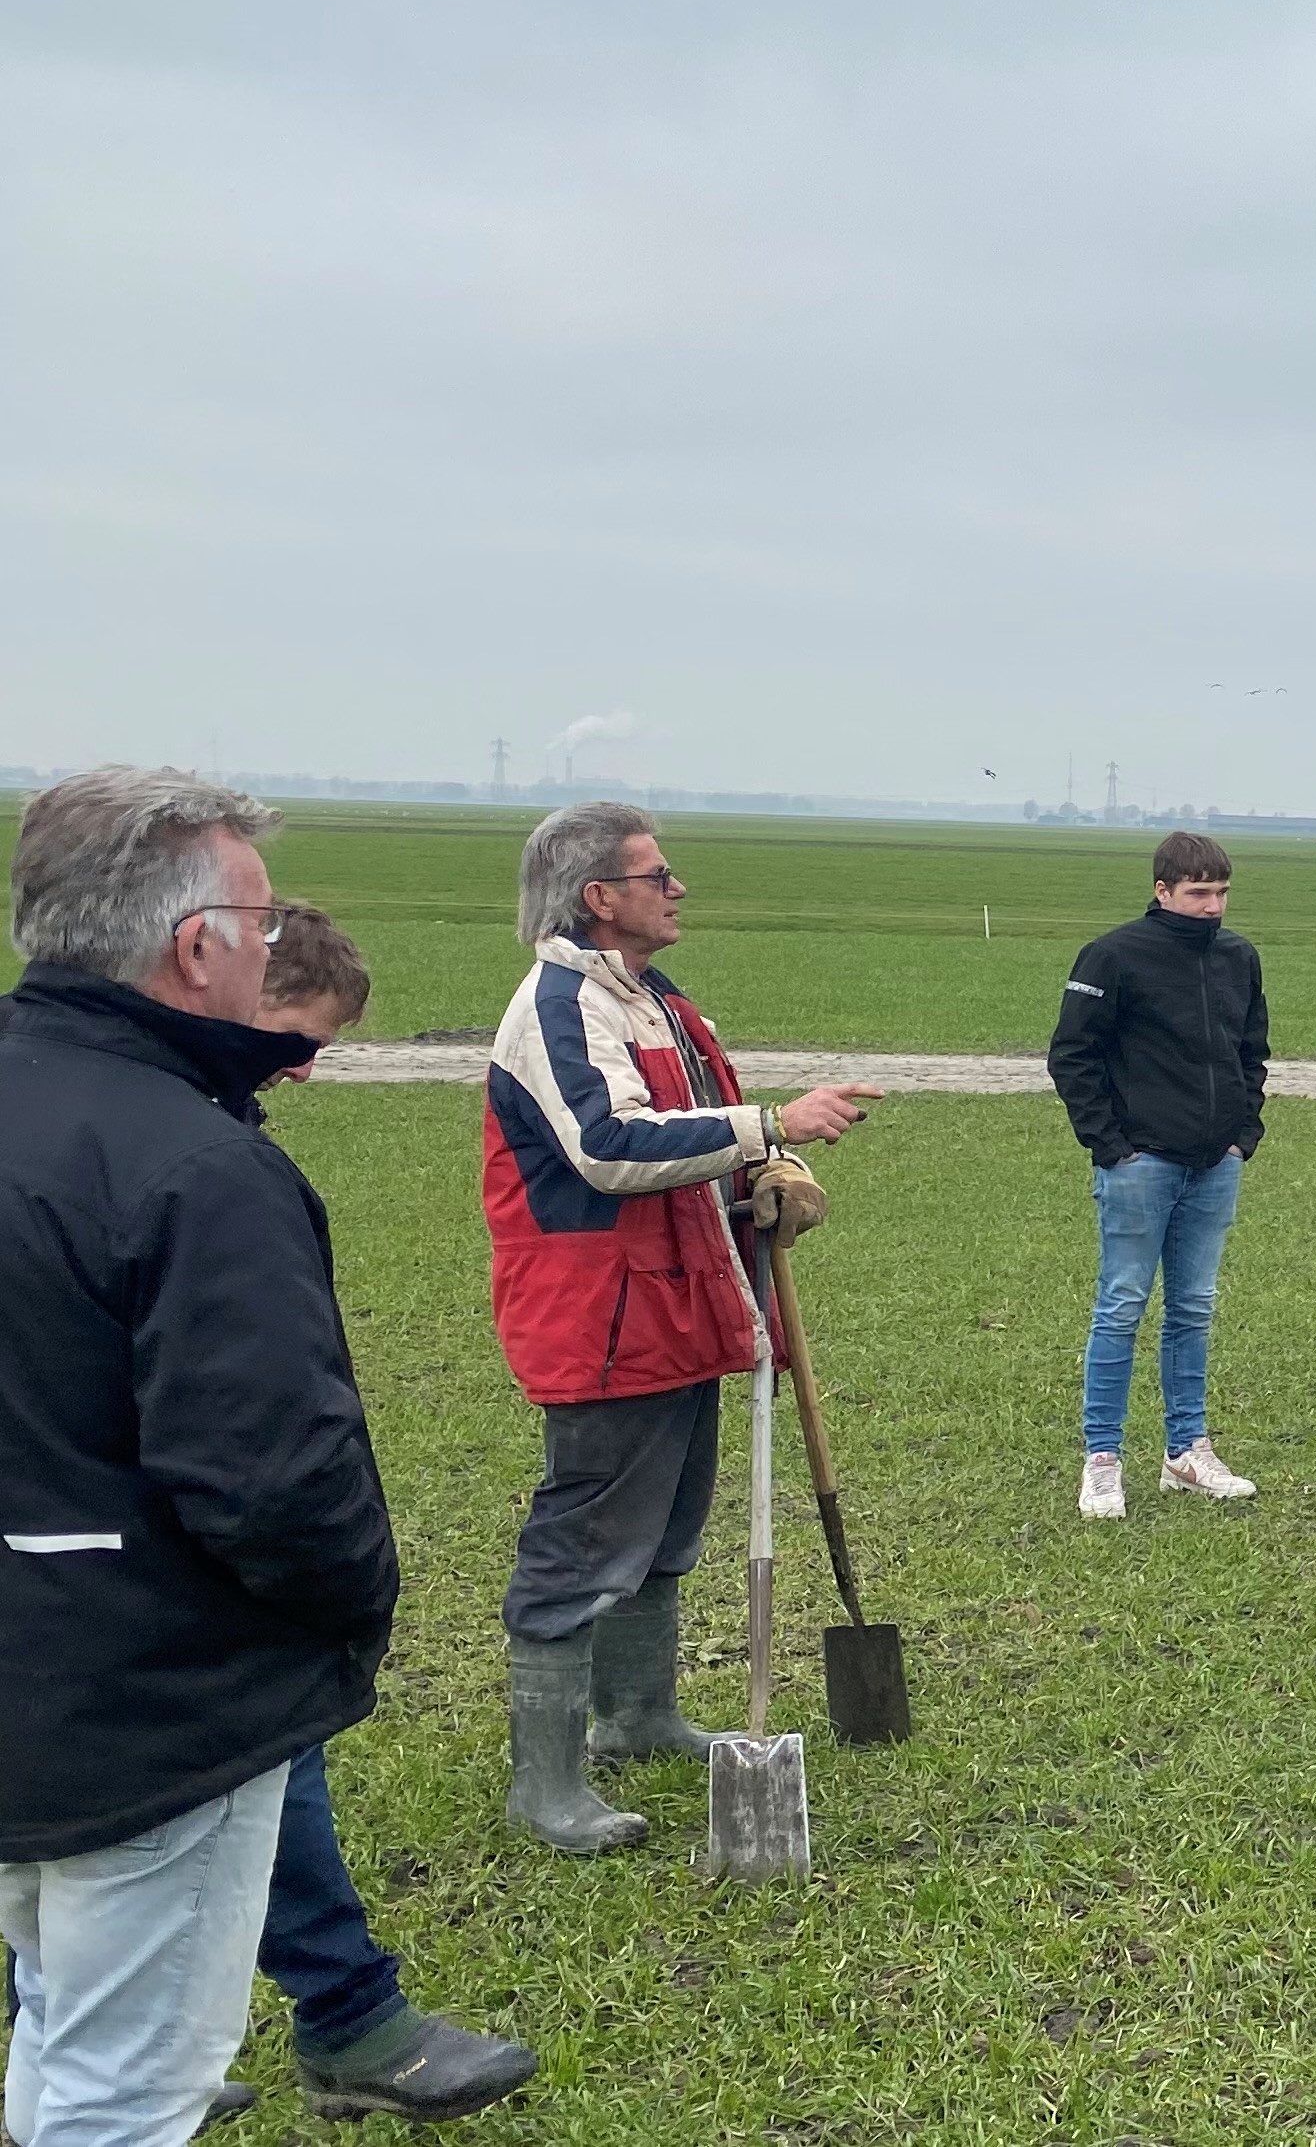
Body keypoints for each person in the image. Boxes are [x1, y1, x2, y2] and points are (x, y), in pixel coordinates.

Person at [0, 768, 405, 2144]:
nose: (268, 941)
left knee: (54, 2019)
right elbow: (276, 1483)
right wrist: (350, 1616)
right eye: (258, 916)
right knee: (126, 2094)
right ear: (196, 947)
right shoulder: (198, 1164)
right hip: (148, 1711)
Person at [483, 802, 875, 1855]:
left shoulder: (660, 1004)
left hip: (686, 1299)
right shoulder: (560, 1006)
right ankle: (545, 1783)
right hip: (601, 1316)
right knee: (587, 1540)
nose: (678, 889)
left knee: (665, 1531)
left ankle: (639, 1718)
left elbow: (702, 1137)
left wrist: (768, 1175)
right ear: (598, 897)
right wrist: (770, 1125)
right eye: (657, 876)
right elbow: (607, 1146)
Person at [228, 907, 539, 2122]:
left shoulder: (207, 1128)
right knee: (255, 1760)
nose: (305, 1068)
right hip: (151, 1552)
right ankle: (348, 2017)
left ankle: (87, 2045)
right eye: (293, 1038)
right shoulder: (172, 1149)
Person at [1048, 832, 1269, 1519]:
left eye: (1221, 892)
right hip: (1140, 1164)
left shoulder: (1239, 957)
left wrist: (1242, 1134)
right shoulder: (1112, 955)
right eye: (1199, 892)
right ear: (1163, 889)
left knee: (1194, 1307)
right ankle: (1103, 1460)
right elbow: (1072, 1056)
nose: (1212, 906)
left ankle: (1186, 1452)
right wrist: (1111, 1145)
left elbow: (1252, 1052)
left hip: (1216, 1163)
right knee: (1121, 1306)